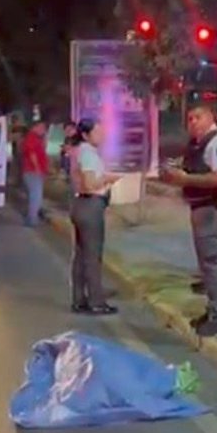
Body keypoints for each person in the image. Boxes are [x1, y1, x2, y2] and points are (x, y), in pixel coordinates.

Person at [160, 103, 217, 337]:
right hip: (202, 207)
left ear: (210, 118)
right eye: (189, 118)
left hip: (213, 208)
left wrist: (185, 179)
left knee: (213, 262)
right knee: (207, 263)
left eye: (197, 117)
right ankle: (215, 310)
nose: (192, 122)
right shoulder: (199, 143)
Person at [69, 118, 122, 315]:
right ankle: (96, 302)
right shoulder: (88, 154)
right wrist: (109, 179)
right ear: (86, 135)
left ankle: (79, 299)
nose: (103, 135)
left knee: (81, 255)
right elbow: (91, 184)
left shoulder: (80, 151)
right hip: (90, 205)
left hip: (80, 205)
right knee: (92, 256)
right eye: (98, 132)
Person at [22, 119, 50, 227]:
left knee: (36, 196)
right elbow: (32, 154)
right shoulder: (31, 138)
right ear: (35, 127)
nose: (43, 130)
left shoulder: (37, 138)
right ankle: (32, 220)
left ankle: (32, 218)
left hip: (35, 171)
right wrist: (37, 168)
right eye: (42, 128)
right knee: (36, 196)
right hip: (32, 172)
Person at [60, 121, 79, 195]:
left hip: (76, 169)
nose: (67, 131)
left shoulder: (79, 140)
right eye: (66, 130)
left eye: (70, 129)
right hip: (68, 168)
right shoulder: (67, 139)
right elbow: (64, 154)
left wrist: (69, 149)